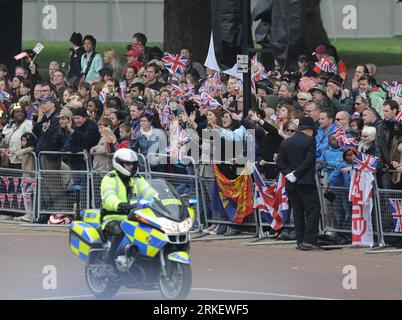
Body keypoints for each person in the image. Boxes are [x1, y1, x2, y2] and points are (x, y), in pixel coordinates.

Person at [100, 148, 157, 277]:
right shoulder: (110, 178)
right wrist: (118, 204)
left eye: (133, 164)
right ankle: (109, 264)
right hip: (113, 216)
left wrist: (158, 199)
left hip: (134, 215)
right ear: (119, 163)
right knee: (119, 230)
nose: (132, 167)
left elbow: (150, 191)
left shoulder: (137, 178)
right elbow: (108, 196)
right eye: (128, 164)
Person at [277, 117, 321, 250]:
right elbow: (308, 161)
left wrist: (289, 174)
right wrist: (296, 174)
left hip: (291, 183)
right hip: (306, 181)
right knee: (313, 210)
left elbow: (280, 163)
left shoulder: (286, 142)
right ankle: (309, 240)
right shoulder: (310, 141)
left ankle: (300, 239)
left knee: (297, 211)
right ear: (308, 130)